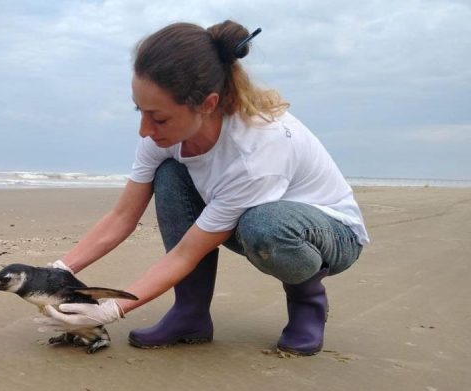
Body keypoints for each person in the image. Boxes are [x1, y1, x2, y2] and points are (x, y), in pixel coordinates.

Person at [41, 20, 369, 356]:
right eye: (140, 111)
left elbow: (188, 252)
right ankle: (191, 313)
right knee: (169, 173)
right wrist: (55, 272)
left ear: (208, 104)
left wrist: (112, 308)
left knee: (265, 225)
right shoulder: (162, 136)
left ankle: (307, 301)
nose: (144, 130)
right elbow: (122, 216)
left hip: (329, 235)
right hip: (247, 220)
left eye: (158, 117)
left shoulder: (256, 152)